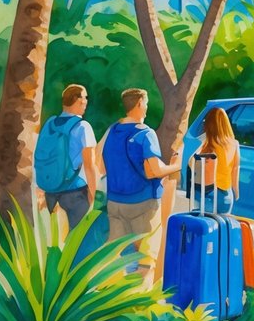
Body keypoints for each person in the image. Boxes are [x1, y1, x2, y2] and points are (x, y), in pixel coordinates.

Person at [100, 88, 180, 285]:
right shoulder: (146, 133)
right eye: (145, 103)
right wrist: (175, 166)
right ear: (138, 105)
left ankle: (114, 297)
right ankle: (140, 302)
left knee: (114, 253)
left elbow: (99, 163)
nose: (146, 108)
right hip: (144, 203)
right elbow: (153, 170)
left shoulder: (112, 131)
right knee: (146, 255)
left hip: (115, 202)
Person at [33, 84, 98, 231]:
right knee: (78, 240)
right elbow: (89, 165)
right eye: (84, 97)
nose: (86, 101)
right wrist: (94, 196)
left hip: (50, 190)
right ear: (76, 99)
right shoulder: (83, 127)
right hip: (75, 192)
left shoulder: (50, 123)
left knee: (52, 239)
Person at [194, 107, 240, 213]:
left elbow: (194, 163)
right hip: (226, 194)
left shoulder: (208, 144)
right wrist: (236, 191)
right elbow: (235, 169)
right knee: (222, 227)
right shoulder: (234, 144)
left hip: (209, 192)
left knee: (209, 226)